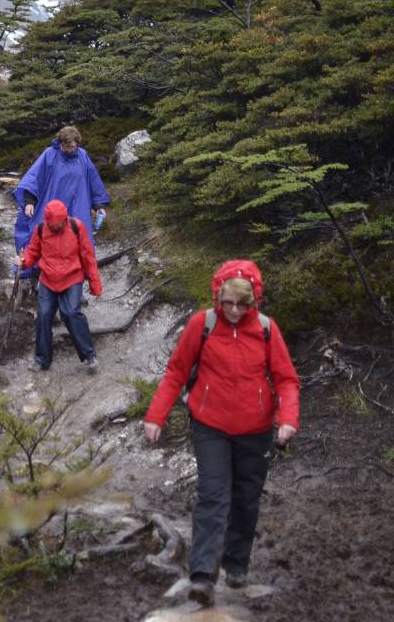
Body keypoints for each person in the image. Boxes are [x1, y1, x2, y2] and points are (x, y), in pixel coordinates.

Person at [143, 259, 300, 607]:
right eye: (227, 302)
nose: (233, 310)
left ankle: (236, 563)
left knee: (246, 498)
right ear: (217, 296)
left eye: (241, 304)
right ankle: (202, 574)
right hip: (209, 425)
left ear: (253, 301)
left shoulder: (266, 330)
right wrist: (156, 416)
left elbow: (287, 379)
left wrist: (288, 418)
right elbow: (176, 372)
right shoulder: (203, 324)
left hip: (256, 429)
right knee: (213, 495)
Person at [16, 199, 102, 372]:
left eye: (58, 225)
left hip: (72, 277)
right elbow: (32, 252)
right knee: (43, 315)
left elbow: (88, 258)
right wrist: (24, 262)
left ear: (64, 219)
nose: (55, 228)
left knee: (71, 313)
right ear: (47, 221)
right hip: (48, 279)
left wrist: (95, 284)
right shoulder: (40, 229)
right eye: (52, 225)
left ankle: (89, 355)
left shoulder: (77, 227)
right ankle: (42, 360)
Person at [13, 125, 110, 255]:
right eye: (67, 147)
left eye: (73, 147)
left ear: (77, 144)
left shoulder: (82, 156)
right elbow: (35, 178)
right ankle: (44, 266)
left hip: (78, 206)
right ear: (60, 144)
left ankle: (78, 266)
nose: (70, 150)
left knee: (78, 234)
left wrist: (99, 205)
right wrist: (29, 201)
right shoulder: (50, 155)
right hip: (53, 205)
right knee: (48, 234)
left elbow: (93, 181)